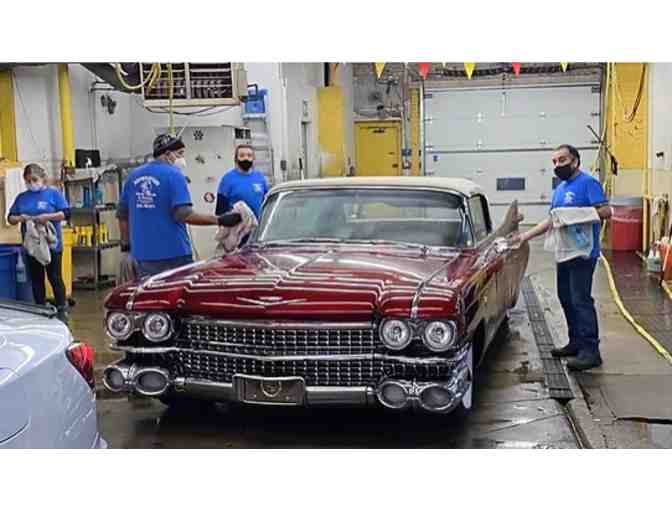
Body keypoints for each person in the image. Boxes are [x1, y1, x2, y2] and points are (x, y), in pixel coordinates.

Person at [510, 144, 612, 371]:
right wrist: (524, 237)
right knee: (565, 297)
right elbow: (552, 220)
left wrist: (576, 215)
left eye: (562, 160)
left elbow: (606, 211)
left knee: (580, 300)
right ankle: (576, 343)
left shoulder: (588, 183)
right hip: (564, 252)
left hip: (583, 253)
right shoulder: (560, 189)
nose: (557, 165)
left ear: (575, 161)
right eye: (554, 162)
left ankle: (591, 351)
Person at [117, 134, 241, 279]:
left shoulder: (133, 176)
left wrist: (126, 247)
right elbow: (183, 214)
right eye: (180, 154)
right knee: (177, 291)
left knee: (150, 291)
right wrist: (219, 220)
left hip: (142, 256)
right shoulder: (174, 175)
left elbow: (122, 215)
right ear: (168, 154)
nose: (182, 159)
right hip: (173, 254)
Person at [8, 164, 70, 322]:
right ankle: (40, 308)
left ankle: (62, 308)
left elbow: (66, 213)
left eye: (34, 180)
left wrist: (47, 217)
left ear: (42, 178)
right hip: (32, 246)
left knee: (54, 277)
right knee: (36, 279)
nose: (31, 183)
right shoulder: (22, 198)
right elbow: (10, 218)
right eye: (28, 181)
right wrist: (21, 218)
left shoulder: (53, 194)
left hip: (51, 245)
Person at [216, 144, 269, 221]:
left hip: (259, 225)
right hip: (237, 226)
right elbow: (220, 211)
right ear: (236, 159)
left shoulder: (260, 177)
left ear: (253, 158)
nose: (246, 158)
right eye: (242, 156)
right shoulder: (227, 179)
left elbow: (266, 202)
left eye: (249, 155)